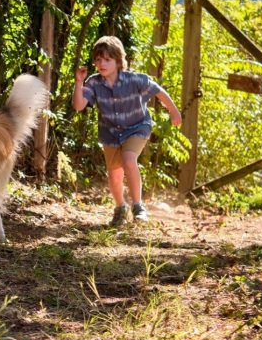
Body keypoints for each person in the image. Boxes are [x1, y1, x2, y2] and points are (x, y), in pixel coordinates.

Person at [72, 35, 182, 225]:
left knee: (129, 159)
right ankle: (120, 207)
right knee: (114, 173)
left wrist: (173, 111)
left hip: (137, 126)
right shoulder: (94, 82)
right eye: (98, 59)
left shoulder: (134, 79)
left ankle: (138, 206)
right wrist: (78, 82)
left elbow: (158, 90)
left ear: (118, 61)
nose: (102, 64)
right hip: (110, 132)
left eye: (107, 59)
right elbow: (79, 106)